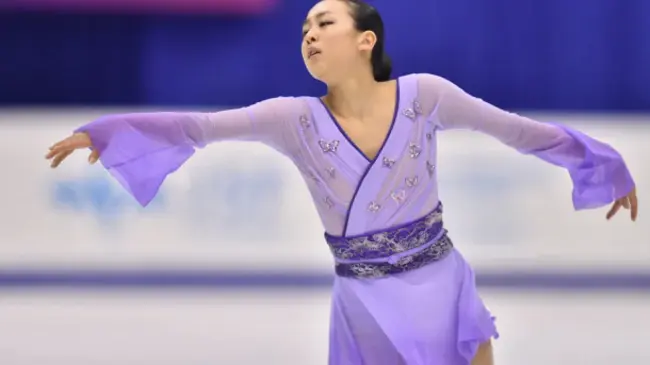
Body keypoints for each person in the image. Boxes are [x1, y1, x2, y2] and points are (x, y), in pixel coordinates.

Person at [45, 0, 638, 363]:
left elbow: (516, 131)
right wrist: (107, 133)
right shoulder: (293, 119)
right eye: (303, 26)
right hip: (364, 303)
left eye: (323, 21)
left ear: (365, 40)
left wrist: (602, 164)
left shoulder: (424, 96)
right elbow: (198, 127)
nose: (308, 32)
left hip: (441, 284)